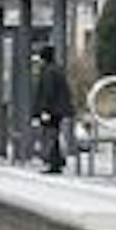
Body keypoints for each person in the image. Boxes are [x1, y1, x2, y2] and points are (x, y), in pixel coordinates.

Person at [32, 45, 74, 174]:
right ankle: (57, 161)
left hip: (52, 110)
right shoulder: (57, 69)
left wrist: (45, 110)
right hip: (58, 109)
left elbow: (48, 92)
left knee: (50, 135)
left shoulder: (48, 71)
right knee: (53, 134)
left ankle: (54, 162)